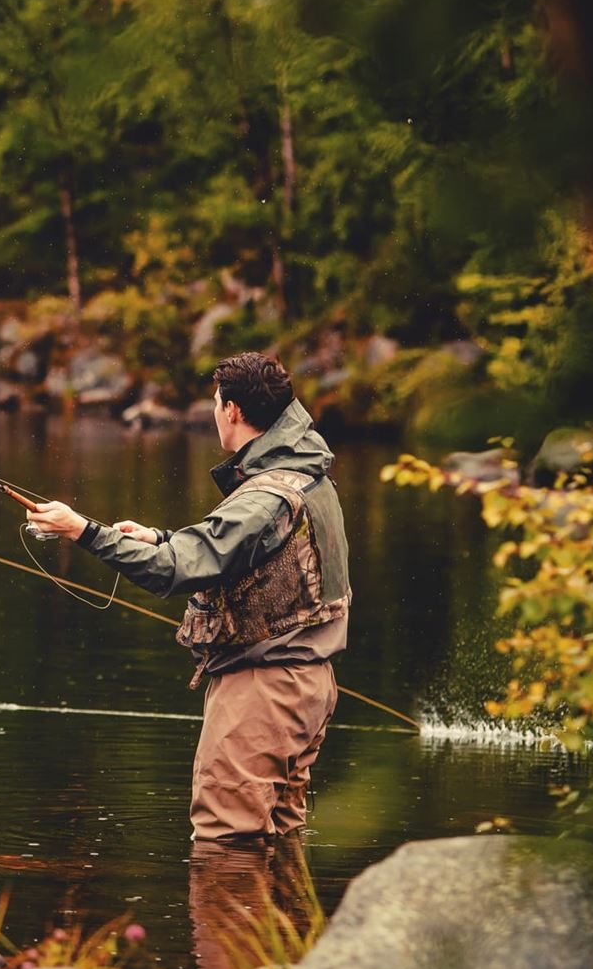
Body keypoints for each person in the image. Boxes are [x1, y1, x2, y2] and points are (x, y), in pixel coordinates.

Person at [24, 352, 350, 841]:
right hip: (308, 684)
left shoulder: (264, 498)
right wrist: (159, 539)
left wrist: (82, 531)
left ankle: (227, 921)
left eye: (217, 404)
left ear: (234, 411)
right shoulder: (307, 476)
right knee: (279, 837)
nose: (217, 413)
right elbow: (245, 552)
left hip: (263, 692)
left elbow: (174, 571)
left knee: (227, 838)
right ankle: (288, 921)